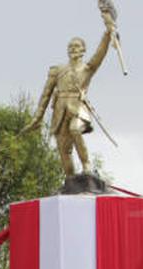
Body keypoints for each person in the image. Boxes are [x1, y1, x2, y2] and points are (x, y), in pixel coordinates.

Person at [23, 8, 117, 177]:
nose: (73, 48)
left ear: (83, 50)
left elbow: (99, 54)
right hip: (59, 111)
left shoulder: (87, 69)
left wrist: (108, 34)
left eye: (77, 46)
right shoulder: (57, 71)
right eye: (71, 46)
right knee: (63, 150)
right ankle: (71, 179)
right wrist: (37, 117)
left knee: (75, 129)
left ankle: (87, 166)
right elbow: (45, 95)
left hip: (78, 109)